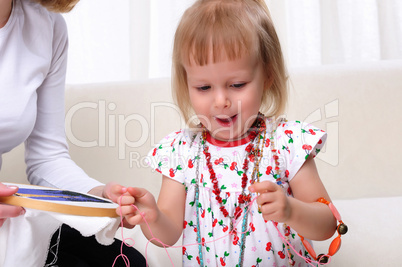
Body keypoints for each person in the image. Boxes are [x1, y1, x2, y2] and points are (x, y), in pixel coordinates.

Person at [119, 0, 340, 266]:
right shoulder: (181, 151)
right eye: (203, 88)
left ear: (267, 75)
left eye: (236, 84)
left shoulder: (286, 142)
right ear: (186, 83)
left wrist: (292, 211)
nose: (221, 101)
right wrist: (152, 215)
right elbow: (166, 237)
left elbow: (327, 225)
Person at [0, 0, 145, 266]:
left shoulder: (46, 25)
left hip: (5, 216)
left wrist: (99, 196)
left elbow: (47, 159)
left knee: (127, 262)